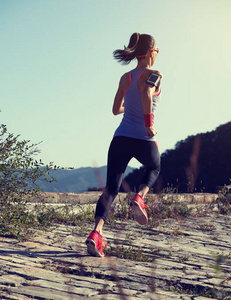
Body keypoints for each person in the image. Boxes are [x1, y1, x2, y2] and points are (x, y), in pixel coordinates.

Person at [86, 33, 162, 257]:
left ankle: (96, 234)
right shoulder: (155, 74)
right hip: (142, 137)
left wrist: (131, 109)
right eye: (157, 51)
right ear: (150, 53)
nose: (157, 54)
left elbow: (115, 109)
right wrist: (148, 124)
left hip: (120, 138)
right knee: (155, 167)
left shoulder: (125, 77)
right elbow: (148, 93)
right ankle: (140, 197)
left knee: (111, 189)